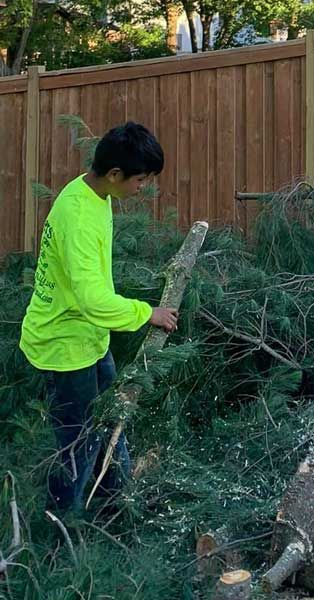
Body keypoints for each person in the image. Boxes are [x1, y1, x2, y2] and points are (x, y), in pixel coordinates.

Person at [19, 122, 177, 514]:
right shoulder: (79, 217)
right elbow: (94, 301)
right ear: (115, 174)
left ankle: (116, 505)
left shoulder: (94, 193)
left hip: (89, 337)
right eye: (140, 181)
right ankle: (64, 528)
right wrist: (147, 314)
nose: (142, 189)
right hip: (63, 344)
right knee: (79, 443)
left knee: (111, 422)